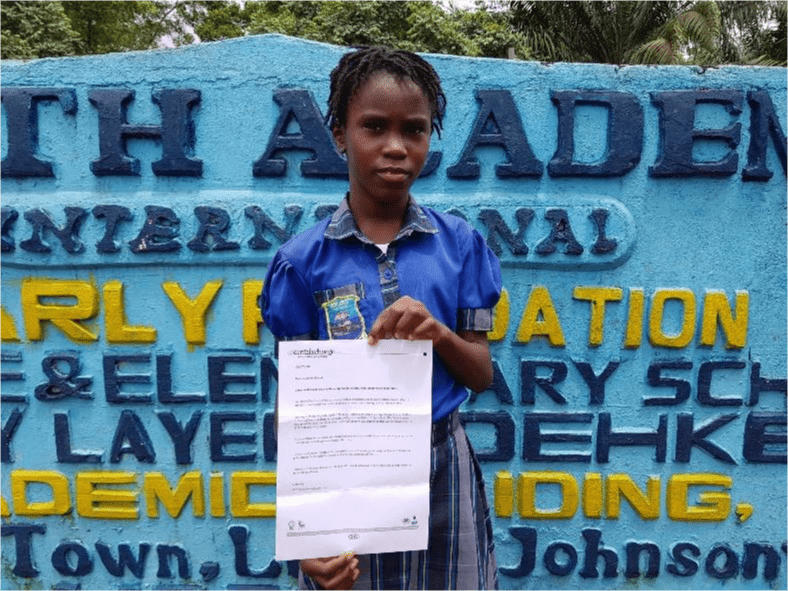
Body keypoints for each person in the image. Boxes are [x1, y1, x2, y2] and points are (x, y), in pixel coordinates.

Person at [261, 46, 501, 591]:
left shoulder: (460, 246)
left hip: (443, 463)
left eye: (413, 130)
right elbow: (295, 410)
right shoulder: (301, 262)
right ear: (341, 134)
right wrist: (308, 536)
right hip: (345, 476)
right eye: (374, 126)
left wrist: (437, 332)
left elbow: (481, 376)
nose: (395, 147)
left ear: (428, 139)